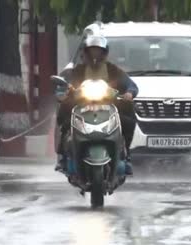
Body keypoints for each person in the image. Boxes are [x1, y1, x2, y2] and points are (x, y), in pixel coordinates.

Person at [55, 35, 139, 176]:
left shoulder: (113, 70)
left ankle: (126, 154)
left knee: (129, 120)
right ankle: (63, 156)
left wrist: (130, 93)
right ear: (86, 52)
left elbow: (130, 84)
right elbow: (63, 83)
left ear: (104, 52)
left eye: (98, 51)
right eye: (92, 51)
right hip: (81, 104)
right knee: (65, 119)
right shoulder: (78, 70)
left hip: (109, 105)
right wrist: (64, 92)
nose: (95, 55)